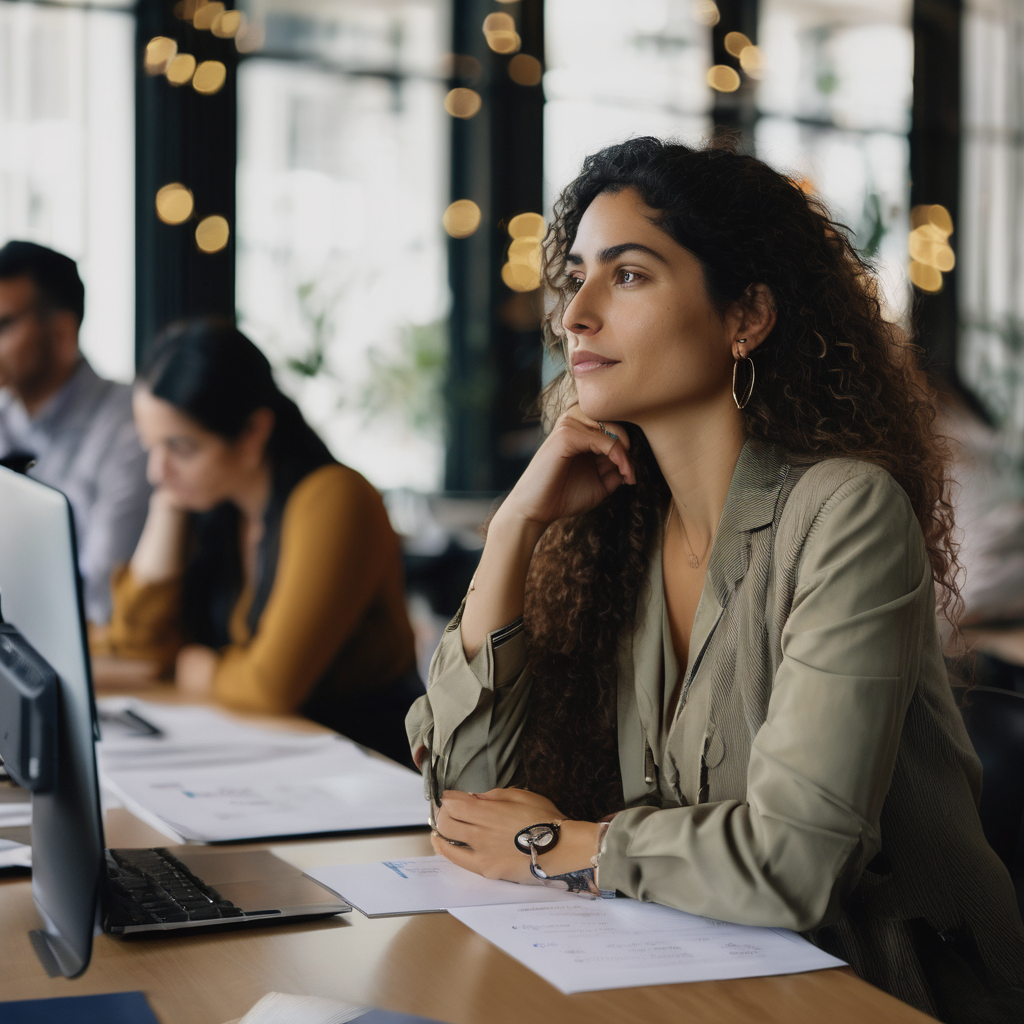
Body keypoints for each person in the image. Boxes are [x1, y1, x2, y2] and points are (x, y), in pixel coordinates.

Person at [408, 138, 1024, 1023]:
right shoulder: (616, 534)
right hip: (687, 974)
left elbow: (797, 862)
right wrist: (514, 531)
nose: (574, 314)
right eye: (576, 277)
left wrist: (563, 843)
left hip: (872, 992)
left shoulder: (844, 512)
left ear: (747, 316)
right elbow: (467, 813)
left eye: (627, 275)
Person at [100, 318, 421, 765]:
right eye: (150, 446)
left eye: (181, 448)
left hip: (368, 766)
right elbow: (138, 650)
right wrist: (167, 510)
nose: (157, 472)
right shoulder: (218, 505)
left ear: (253, 432)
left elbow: (270, 687)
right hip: (274, 760)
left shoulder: (333, 498)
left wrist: (201, 669)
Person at [0, 240, 149, 624]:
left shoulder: (133, 427)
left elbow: (98, 598)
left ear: (62, 333)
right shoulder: (5, 414)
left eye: (3, 325)